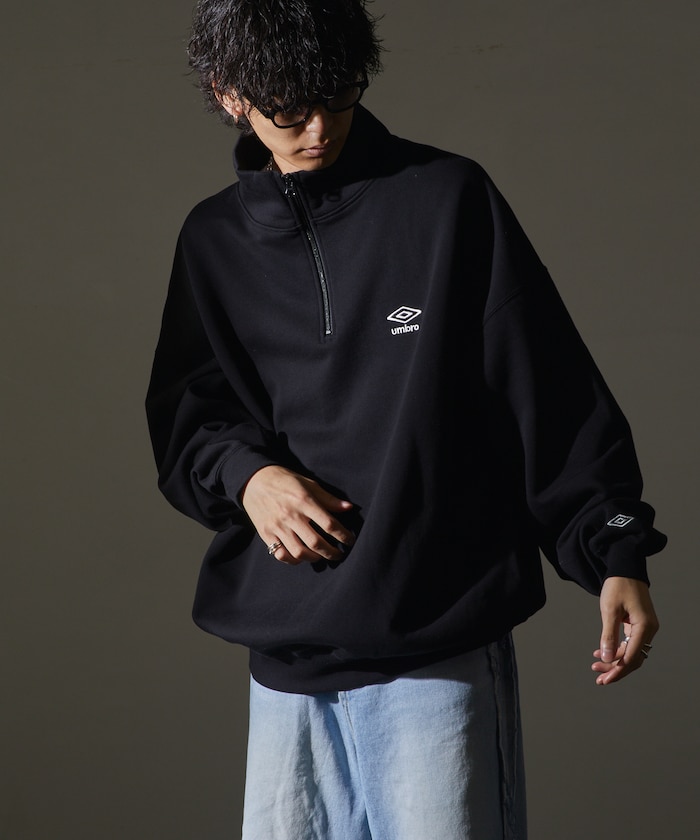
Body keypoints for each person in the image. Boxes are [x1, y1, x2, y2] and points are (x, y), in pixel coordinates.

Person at [146, 1, 667, 837]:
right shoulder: (213, 241)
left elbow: (548, 393)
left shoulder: (447, 199)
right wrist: (251, 478)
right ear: (228, 94)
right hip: (287, 665)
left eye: (338, 95)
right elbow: (189, 419)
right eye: (289, 109)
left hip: (437, 648)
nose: (320, 128)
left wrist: (615, 552)